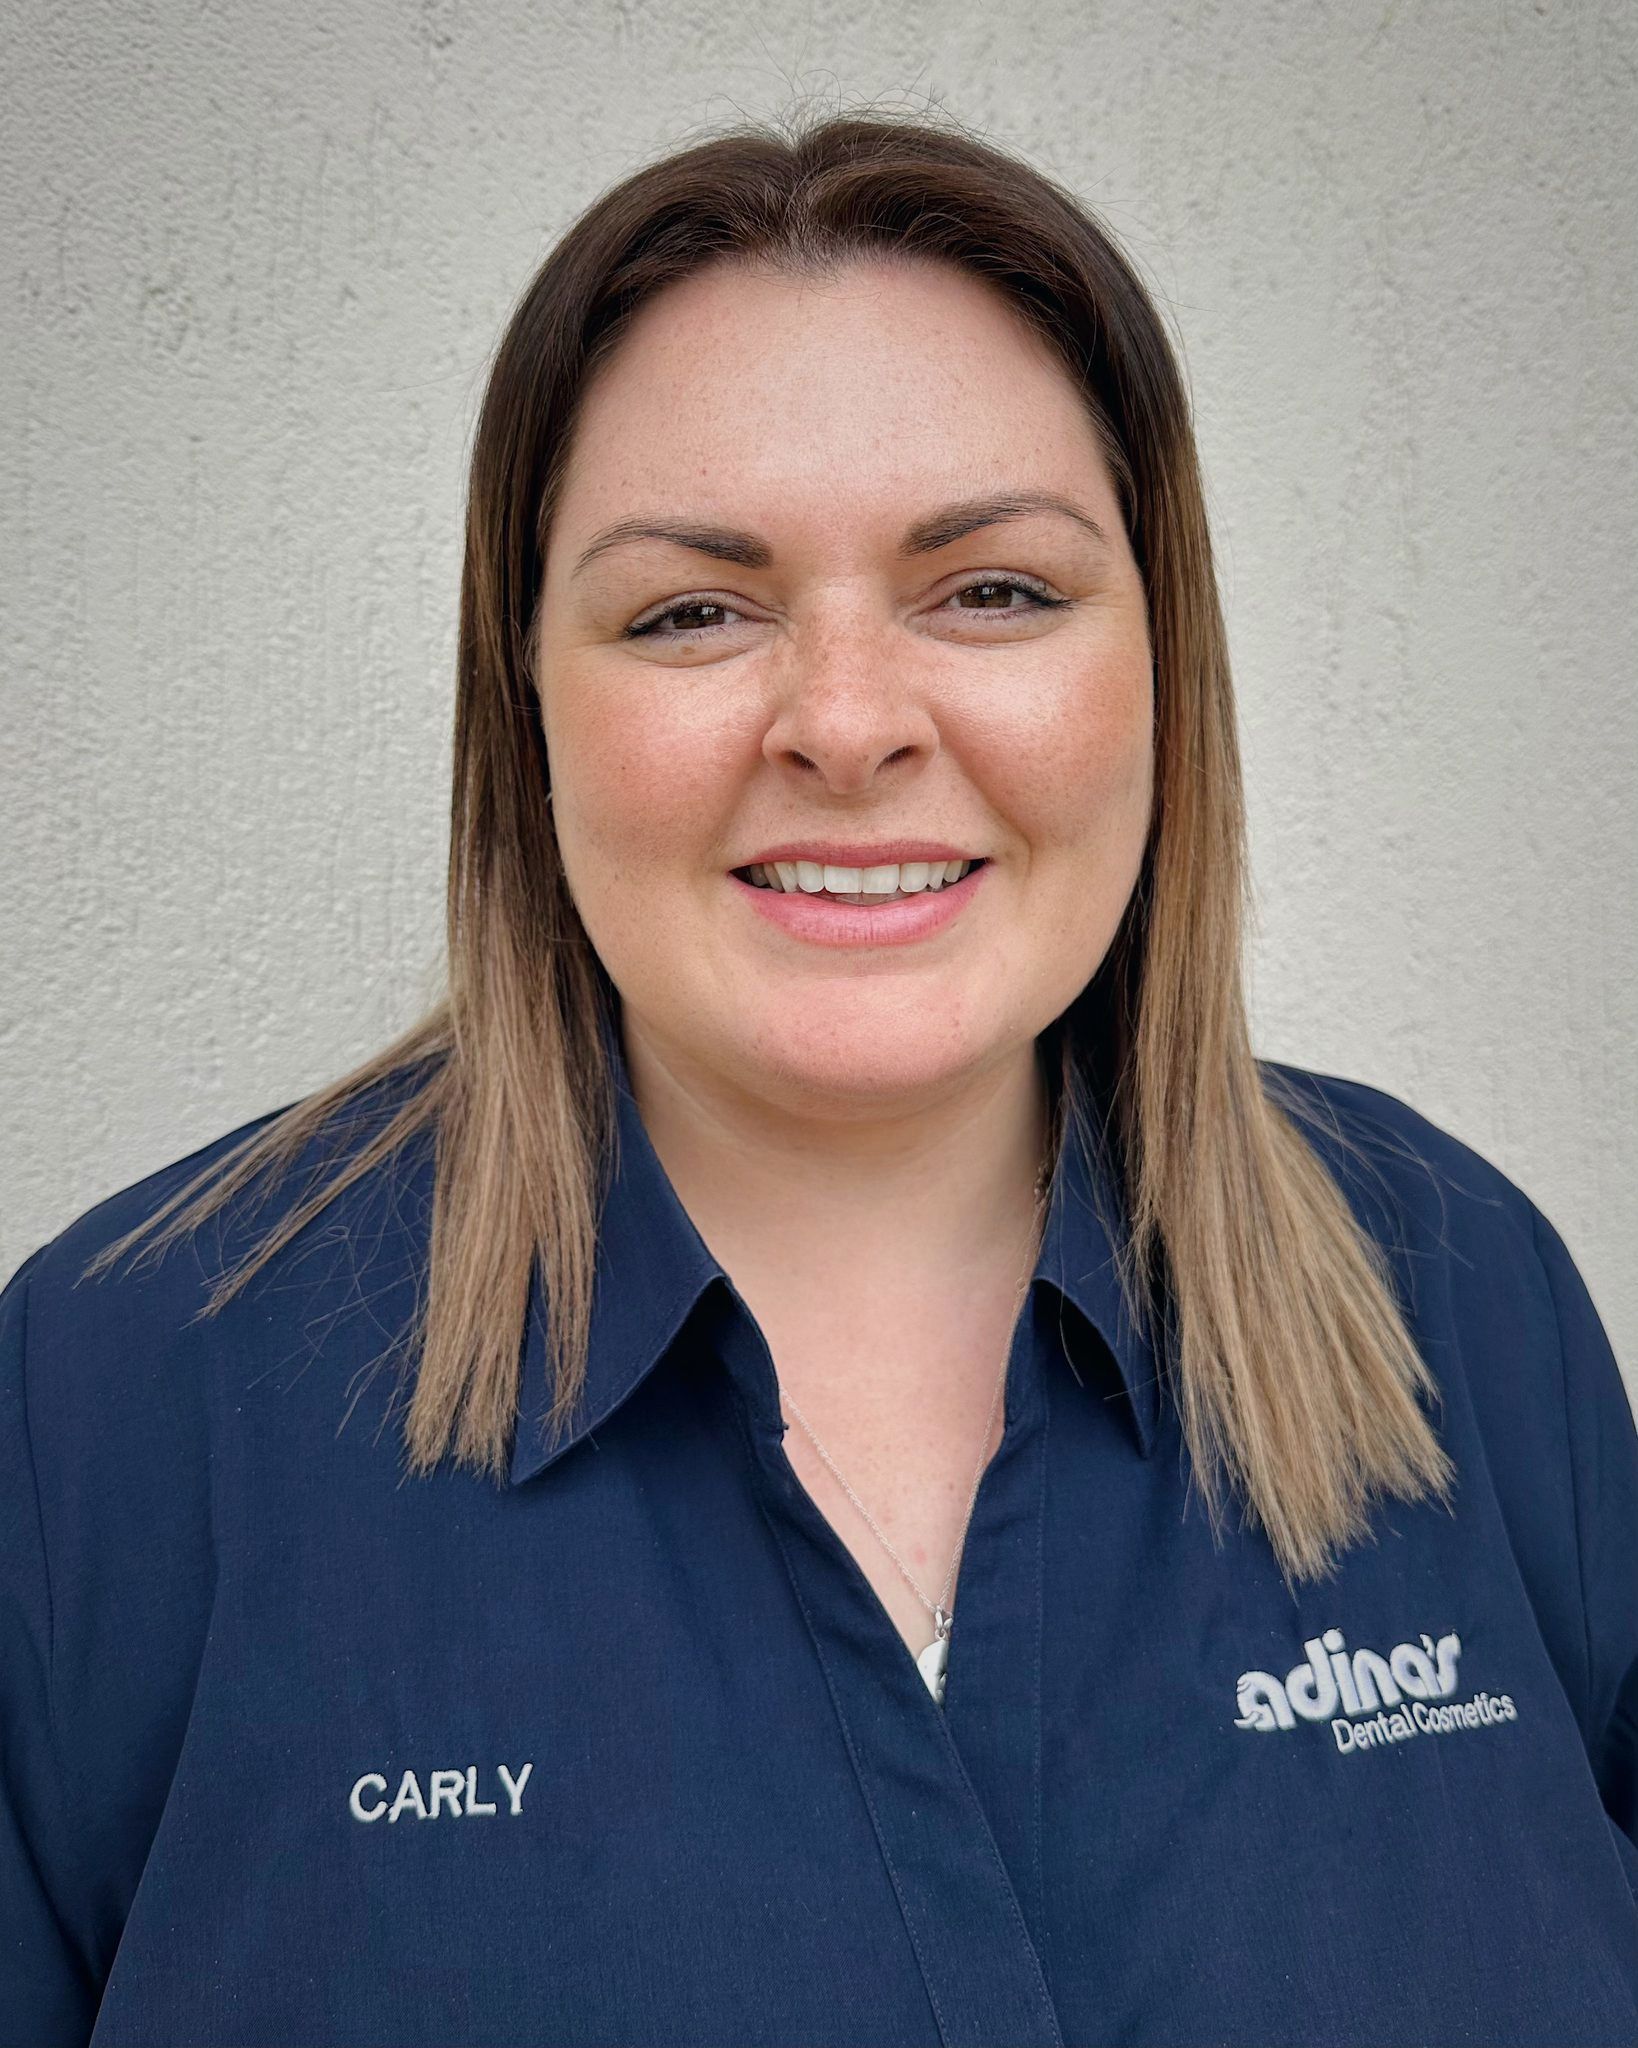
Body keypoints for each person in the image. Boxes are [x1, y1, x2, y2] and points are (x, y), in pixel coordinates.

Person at [2, 108, 1635, 2048]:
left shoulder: (1462, 1298)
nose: (848, 725)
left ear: (1161, 663)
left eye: (994, 589)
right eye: (695, 608)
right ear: (528, 700)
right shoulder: (118, 1410)